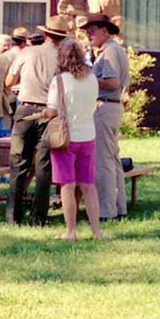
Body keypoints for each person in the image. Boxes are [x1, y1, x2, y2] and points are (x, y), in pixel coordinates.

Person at [4, 16, 69, 226]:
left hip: (25, 109)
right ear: (61, 38)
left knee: (18, 163)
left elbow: (9, 81)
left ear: (46, 34)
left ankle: (13, 215)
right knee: (43, 167)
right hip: (49, 113)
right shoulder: (63, 57)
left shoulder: (27, 51)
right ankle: (38, 217)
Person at [44, 38, 103, 241]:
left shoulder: (59, 81)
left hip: (65, 137)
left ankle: (71, 231)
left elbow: (52, 110)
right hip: (88, 134)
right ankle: (97, 231)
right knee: (88, 185)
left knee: (67, 185)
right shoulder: (92, 79)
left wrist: (45, 113)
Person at [83, 13, 130, 222]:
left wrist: (88, 76)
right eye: (86, 30)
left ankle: (105, 211)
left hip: (106, 107)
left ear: (105, 30)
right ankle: (119, 208)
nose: (88, 34)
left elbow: (112, 82)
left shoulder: (110, 51)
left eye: (92, 30)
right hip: (110, 107)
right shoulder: (109, 50)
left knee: (102, 162)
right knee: (113, 160)